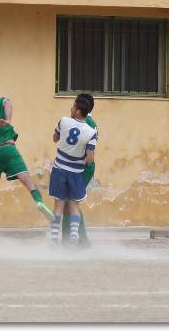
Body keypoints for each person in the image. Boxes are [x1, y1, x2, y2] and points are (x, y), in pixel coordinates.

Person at [0, 82, 54, 222]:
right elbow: (8, 101)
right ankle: (39, 202)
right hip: (9, 148)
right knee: (27, 179)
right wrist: (8, 120)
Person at [48, 98, 97, 245]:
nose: (71, 109)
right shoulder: (91, 131)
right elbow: (90, 158)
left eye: (72, 106)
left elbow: (54, 138)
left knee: (59, 205)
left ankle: (54, 238)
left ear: (77, 110)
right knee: (74, 205)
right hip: (76, 171)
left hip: (59, 168)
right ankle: (74, 235)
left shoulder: (63, 121)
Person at [61, 93, 96, 247]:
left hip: (80, 167)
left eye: (74, 103)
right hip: (80, 165)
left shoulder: (84, 123)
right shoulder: (87, 122)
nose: (72, 106)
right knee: (70, 203)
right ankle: (72, 240)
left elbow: (88, 155)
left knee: (71, 203)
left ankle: (78, 240)